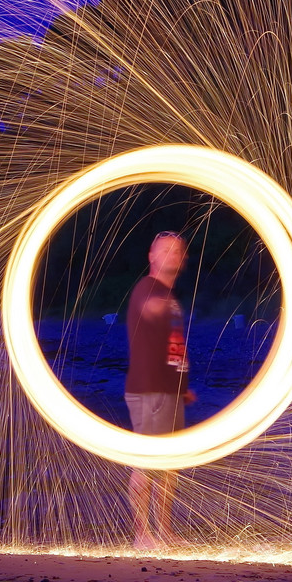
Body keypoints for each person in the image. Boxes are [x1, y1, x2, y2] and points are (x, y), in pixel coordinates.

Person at [124, 230, 197, 549]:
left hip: (169, 392)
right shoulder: (147, 288)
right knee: (148, 463)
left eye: (178, 251)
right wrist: (154, 309)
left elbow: (173, 345)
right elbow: (148, 310)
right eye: (165, 249)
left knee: (168, 467)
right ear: (151, 256)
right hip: (149, 390)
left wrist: (182, 385)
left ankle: (163, 531)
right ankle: (142, 535)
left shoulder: (170, 297)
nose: (172, 254)